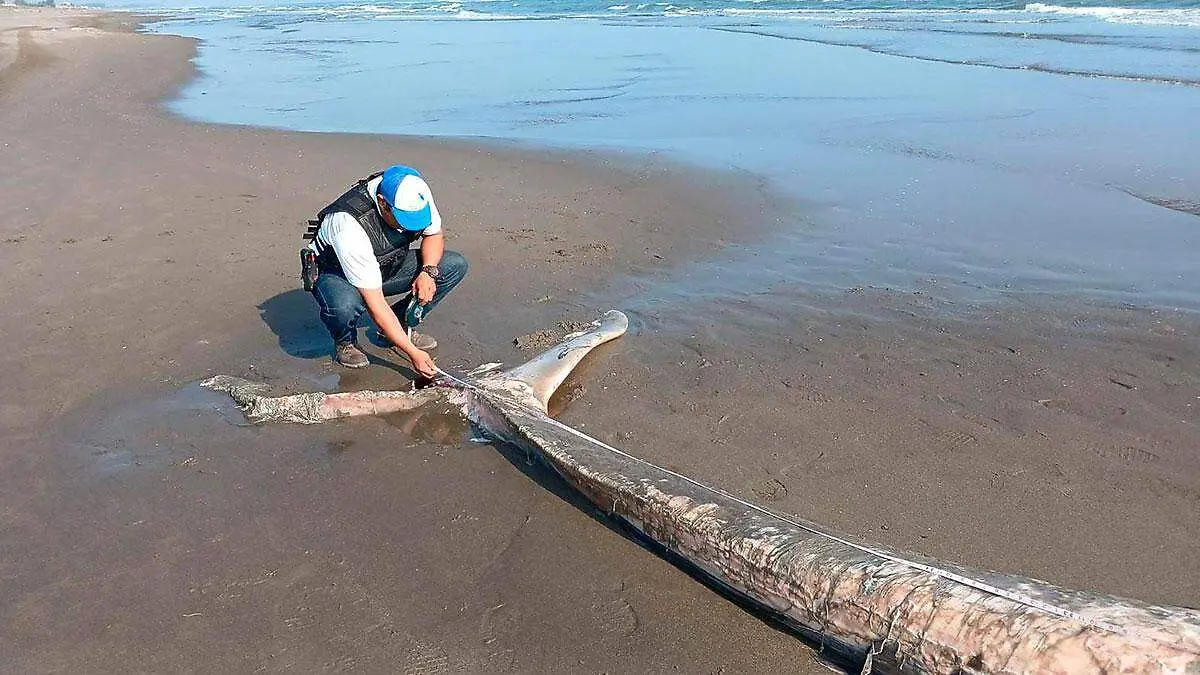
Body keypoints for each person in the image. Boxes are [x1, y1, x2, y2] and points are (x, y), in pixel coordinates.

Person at [302, 165, 469, 377]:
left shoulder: (415, 191)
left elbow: (434, 235)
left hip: (386, 262)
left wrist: (428, 272)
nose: (408, 227)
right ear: (383, 203)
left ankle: (399, 323)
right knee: (344, 306)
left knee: (453, 265)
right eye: (403, 220)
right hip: (337, 273)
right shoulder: (348, 227)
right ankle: (345, 341)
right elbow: (377, 305)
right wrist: (412, 353)